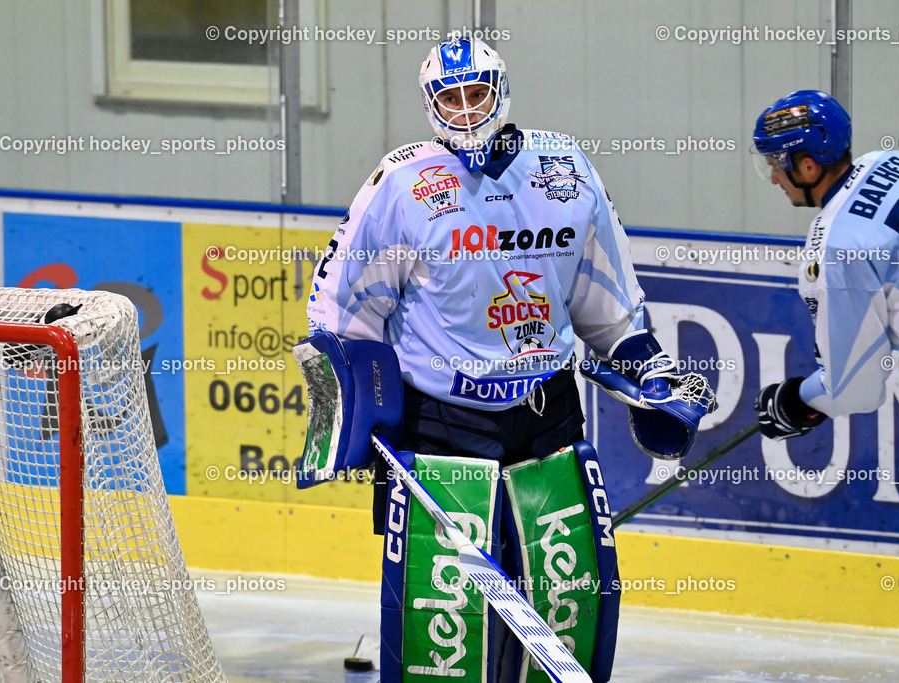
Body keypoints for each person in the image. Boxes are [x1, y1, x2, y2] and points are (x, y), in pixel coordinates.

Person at [303, 34, 714, 682]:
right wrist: (355, 417)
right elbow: (340, 313)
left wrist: (651, 376)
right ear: (430, 103)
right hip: (441, 426)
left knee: (567, 603)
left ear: (501, 92)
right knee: (444, 628)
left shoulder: (566, 170)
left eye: (477, 93)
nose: (465, 109)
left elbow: (607, 305)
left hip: (547, 420)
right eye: (450, 96)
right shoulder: (402, 184)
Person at [752, 89, 899, 563]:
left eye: (777, 163)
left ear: (808, 166)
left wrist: (795, 400)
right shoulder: (896, 161)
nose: (774, 178)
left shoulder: (835, 248)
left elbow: (854, 387)